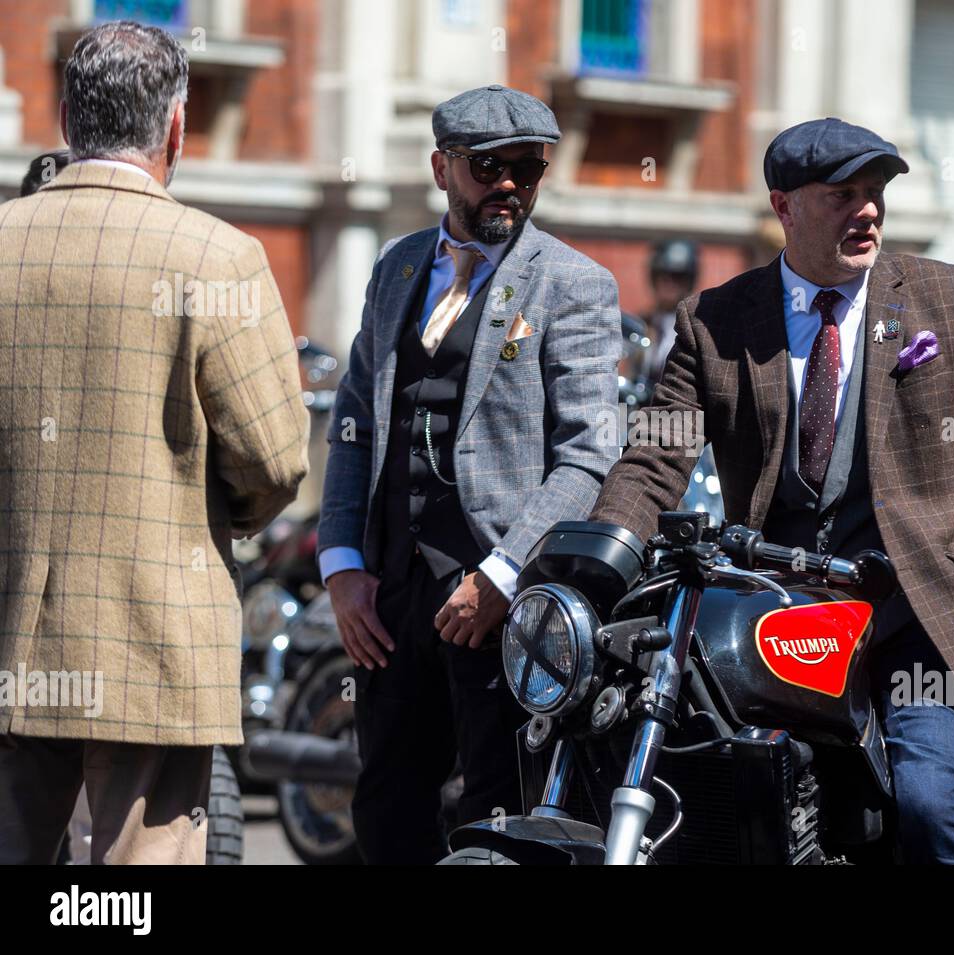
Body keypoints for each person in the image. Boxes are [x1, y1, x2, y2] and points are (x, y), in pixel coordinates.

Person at [588, 117, 954, 863]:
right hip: (773, 625)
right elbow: (652, 461)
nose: (867, 210)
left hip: (924, 626)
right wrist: (596, 564)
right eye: (842, 195)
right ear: (784, 206)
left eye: (876, 193)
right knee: (707, 795)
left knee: (930, 811)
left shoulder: (946, 302)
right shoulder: (716, 323)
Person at [0, 20, 310, 864]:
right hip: (156, 643)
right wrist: (213, 511)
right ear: (175, 126)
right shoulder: (220, 257)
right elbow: (276, 458)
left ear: (66, 120)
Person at [317, 85, 622, 864]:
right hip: (389, 596)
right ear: (442, 168)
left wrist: (504, 570)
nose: (510, 184)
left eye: (529, 167)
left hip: (499, 606)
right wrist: (343, 564)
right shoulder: (396, 269)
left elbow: (589, 450)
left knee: (494, 814)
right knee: (386, 810)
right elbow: (354, 425)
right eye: (489, 166)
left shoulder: (572, 282)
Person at [644, 239, 699, 383]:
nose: (669, 283)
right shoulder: (643, 324)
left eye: (678, 276)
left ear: (689, 280)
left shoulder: (696, 330)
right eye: (663, 274)